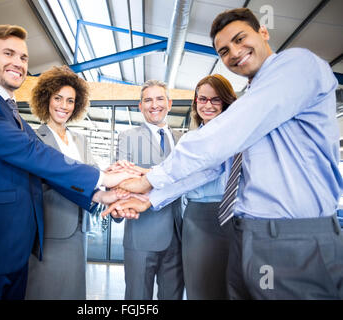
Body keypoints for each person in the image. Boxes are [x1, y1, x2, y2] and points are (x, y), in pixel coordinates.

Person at [104, 8, 343, 299]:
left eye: (241, 39)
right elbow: (212, 168)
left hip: (294, 237)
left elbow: (221, 138)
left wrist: (150, 178)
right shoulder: (252, 103)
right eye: (224, 50)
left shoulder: (297, 65)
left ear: (263, 32)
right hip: (248, 233)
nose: (235, 53)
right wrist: (150, 196)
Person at [0, 24, 139, 300]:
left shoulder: (17, 121)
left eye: (24, 58)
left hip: (15, 257)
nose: (18, 62)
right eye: (8, 53)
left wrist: (103, 194)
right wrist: (102, 177)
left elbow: (46, 174)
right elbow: (30, 152)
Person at [25, 65, 100, 299]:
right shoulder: (34, 138)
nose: (63, 106)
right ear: (46, 99)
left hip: (80, 228)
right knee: (45, 290)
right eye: (58, 98)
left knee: (74, 292)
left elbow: (95, 175)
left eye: (70, 101)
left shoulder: (81, 140)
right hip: (50, 231)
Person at [112, 80, 184, 300]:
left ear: (169, 103)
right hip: (142, 234)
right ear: (140, 106)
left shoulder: (183, 140)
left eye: (160, 99)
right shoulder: (129, 137)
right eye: (148, 100)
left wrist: (144, 174)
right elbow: (121, 179)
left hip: (179, 235)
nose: (155, 105)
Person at [181, 74, 236, 299]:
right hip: (199, 219)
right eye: (202, 99)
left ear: (225, 102)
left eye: (215, 100)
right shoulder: (188, 141)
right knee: (200, 288)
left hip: (235, 216)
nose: (208, 105)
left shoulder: (239, 138)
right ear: (196, 102)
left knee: (232, 287)